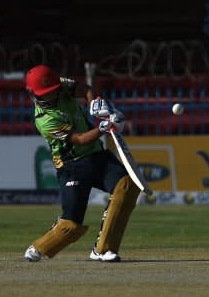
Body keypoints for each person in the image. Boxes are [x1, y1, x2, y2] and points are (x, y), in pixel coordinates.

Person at [22, 64, 140, 263]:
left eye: (52, 92)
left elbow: (84, 89)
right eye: (45, 95)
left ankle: (103, 250)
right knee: (71, 226)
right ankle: (39, 246)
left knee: (127, 186)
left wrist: (94, 102)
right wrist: (105, 127)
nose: (51, 97)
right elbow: (80, 139)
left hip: (96, 156)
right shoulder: (44, 120)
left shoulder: (60, 85)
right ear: (32, 94)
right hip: (72, 167)